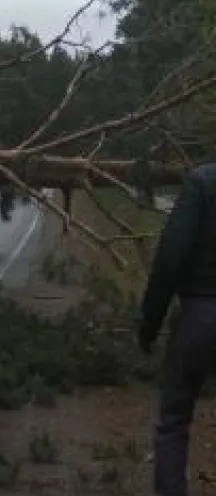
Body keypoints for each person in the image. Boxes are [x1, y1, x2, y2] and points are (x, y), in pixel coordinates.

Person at [138, 163, 216, 496]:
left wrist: (149, 323)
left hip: (199, 317)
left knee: (173, 420)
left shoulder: (202, 182)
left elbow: (171, 258)